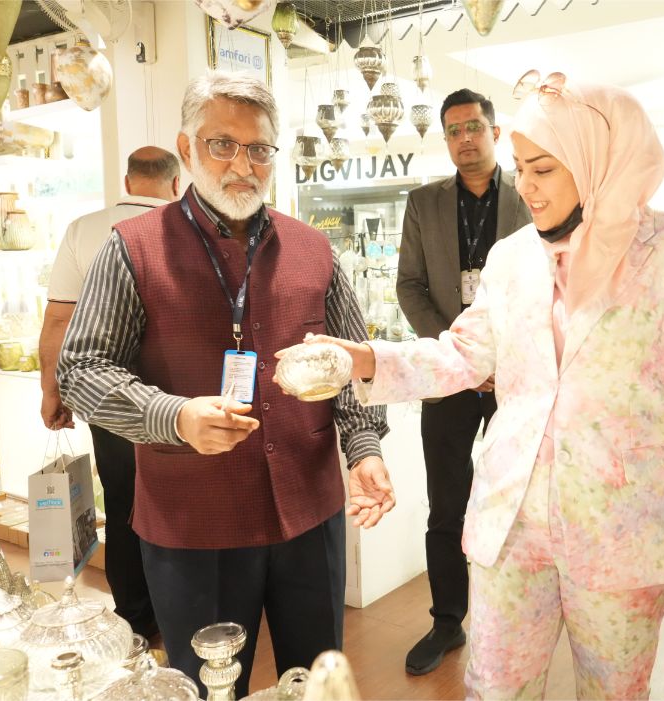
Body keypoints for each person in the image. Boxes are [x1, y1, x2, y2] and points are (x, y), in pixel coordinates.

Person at [287, 72, 664, 699]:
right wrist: (365, 359)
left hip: (622, 531)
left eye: (544, 169)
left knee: (613, 692)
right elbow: (461, 353)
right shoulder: (513, 257)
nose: (525, 186)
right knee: (495, 687)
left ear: (596, 161)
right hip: (511, 523)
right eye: (521, 168)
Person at [57, 71, 396, 696]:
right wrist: (174, 417)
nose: (243, 165)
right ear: (187, 149)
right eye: (222, 145)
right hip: (193, 523)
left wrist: (365, 448)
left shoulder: (314, 249)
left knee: (316, 681)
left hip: (309, 515)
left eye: (259, 148)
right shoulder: (132, 248)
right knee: (208, 686)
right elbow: (81, 369)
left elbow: (349, 365)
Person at [395, 88, 530, 676]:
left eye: (474, 127)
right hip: (450, 377)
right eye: (453, 130)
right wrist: (458, 351)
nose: (464, 138)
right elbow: (409, 285)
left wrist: (503, 356)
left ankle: (520, 617)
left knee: (520, 501)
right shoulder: (423, 203)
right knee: (446, 506)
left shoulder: (530, 192)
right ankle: (447, 622)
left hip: (515, 378)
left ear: (495, 133)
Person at [40, 145, 180, 640]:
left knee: (123, 502)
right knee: (182, 504)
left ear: (127, 181)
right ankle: (184, 614)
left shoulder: (83, 229)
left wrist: (52, 391)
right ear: (176, 183)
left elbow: (59, 320)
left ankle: (136, 619)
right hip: (180, 395)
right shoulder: (189, 227)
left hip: (108, 393)